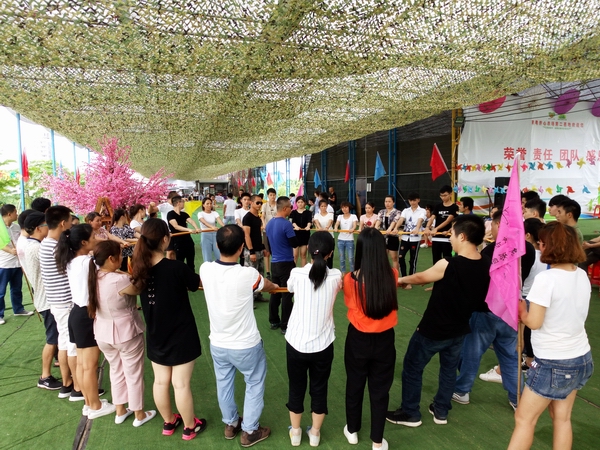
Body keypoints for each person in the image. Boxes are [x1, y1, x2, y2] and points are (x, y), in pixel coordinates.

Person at [387, 215, 490, 427]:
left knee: (412, 367)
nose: (450, 238)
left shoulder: (449, 263)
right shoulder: (485, 264)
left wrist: (400, 280)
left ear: (462, 237)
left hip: (433, 329)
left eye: (452, 234)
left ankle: (410, 412)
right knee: (448, 370)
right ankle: (441, 410)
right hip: (459, 329)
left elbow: (420, 277)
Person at [508, 221, 593, 450]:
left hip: (554, 361)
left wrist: (522, 312)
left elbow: (534, 322)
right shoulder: (581, 274)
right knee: (562, 418)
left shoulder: (547, 279)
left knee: (524, 419)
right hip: (581, 357)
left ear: (548, 246)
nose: (539, 246)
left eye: (541, 243)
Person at [200, 225, 278, 447]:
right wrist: (274, 286)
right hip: (246, 345)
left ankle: (231, 423)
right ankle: (250, 430)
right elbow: (267, 285)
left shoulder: (206, 269)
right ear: (242, 247)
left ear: (217, 245)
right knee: (254, 382)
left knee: (224, 383)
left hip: (218, 343)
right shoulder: (248, 274)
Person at [130, 219, 207, 440]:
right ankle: (190, 426)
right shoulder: (176, 268)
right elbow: (197, 283)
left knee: (161, 381)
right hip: (181, 334)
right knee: (180, 384)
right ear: (165, 239)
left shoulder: (139, 269)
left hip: (156, 334)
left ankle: (169, 421)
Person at [452, 210, 535, 410]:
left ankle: (462, 390)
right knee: (510, 356)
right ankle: (517, 398)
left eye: (493, 226)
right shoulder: (528, 248)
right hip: (513, 309)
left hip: (488, 310)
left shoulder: (493, 250)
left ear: (499, 225)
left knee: (472, 353)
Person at [88, 240, 156, 427]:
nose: (122, 257)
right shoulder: (119, 280)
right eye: (120, 254)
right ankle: (139, 414)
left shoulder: (94, 276)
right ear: (111, 258)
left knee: (116, 370)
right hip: (125, 332)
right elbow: (139, 287)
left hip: (103, 333)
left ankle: (120, 410)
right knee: (133, 373)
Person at [343, 227, 398, 450]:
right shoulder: (392, 275)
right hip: (385, 341)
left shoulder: (350, 280)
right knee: (380, 391)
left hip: (358, 341)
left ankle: (352, 430)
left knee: (354, 385)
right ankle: (377, 441)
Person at [286, 232, 342, 447]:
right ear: (330, 253)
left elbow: (290, 288)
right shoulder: (336, 276)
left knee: (296, 387)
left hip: (296, 343)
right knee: (319, 388)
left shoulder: (297, 273)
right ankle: (315, 434)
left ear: (308, 250)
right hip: (323, 345)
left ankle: (296, 433)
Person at [56, 224, 116, 419]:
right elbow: (109, 267)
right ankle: (95, 406)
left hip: (77, 314)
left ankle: (90, 403)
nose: (96, 238)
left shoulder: (72, 261)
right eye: (93, 237)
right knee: (89, 366)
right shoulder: (88, 262)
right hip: (86, 315)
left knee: (83, 364)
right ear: (83, 242)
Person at [39, 206, 80, 399]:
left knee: (64, 343)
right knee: (72, 346)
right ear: (63, 223)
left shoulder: (46, 244)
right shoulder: (55, 247)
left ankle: (67, 384)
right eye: (71, 222)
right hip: (65, 303)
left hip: (57, 302)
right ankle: (78, 388)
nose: (72, 225)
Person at [21, 211, 62, 390]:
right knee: (52, 338)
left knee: (56, 337)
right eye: (47, 225)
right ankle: (45, 376)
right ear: (38, 228)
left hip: (46, 297)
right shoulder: (37, 248)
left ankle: (59, 365)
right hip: (47, 299)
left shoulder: (33, 245)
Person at [265, 196, 298, 334]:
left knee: (275, 292)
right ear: (285, 208)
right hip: (286, 262)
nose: (292, 209)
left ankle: (274, 320)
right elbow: (294, 243)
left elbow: (268, 244)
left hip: (275, 262)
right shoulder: (286, 224)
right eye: (290, 206)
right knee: (286, 294)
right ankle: (285, 325)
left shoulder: (269, 224)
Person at [0, 204, 33, 325]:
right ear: (9, 214)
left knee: (16, 288)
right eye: (15, 212)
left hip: (17, 262)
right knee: (1, 291)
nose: (17, 214)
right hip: (4, 263)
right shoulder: (1, 228)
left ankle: (18, 309)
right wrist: (10, 251)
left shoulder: (16, 227)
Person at [396, 193, 426, 288]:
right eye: (410, 200)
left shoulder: (422, 211)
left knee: (412, 260)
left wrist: (417, 228)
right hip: (405, 238)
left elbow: (420, 220)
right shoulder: (406, 210)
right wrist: (396, 228)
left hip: (415, 239)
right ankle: (404, 279)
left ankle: (410, 281)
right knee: (400, 257)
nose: (412, 202)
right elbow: (401, 220)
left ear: (418, 200)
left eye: (414, 200)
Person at [243, 195, 268, 302]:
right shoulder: (247, 218)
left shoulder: (258, 217)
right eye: (257, 203)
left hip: (259, 250)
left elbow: (258, 234)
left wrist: (263, 247)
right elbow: (246, 235)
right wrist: (251, 251)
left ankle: (258, 295)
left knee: (259, 274)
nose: (259, 205)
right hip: (251, 251)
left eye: (261, 203)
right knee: (250, 276)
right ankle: (249, 299)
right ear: (251, 203)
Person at [425, 185, 459, 264]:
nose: (443, 197)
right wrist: (427, 227)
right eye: (441, 196)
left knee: (447, 260)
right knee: (436, 260)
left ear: (450, 194)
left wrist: (436, 229)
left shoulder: (454, 207)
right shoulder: (438, 206)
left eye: (445, 195)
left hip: (447, 237)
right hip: (436, 237)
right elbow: (432, 218)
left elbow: (448, 221)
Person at [167, 196, 200, 271]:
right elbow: (176, 226)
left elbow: (191, 221)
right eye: (183, 202)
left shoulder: (184, 214)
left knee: (191, 263)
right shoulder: (170, 214)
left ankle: (191, 276)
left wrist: (196, 228)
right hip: (178, 242)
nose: (184, 203)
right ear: (178, 203)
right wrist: (189, 230)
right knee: (180, 262)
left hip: (188, 241)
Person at [374, 196, 401, 273]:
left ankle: (396, 276)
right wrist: (376, 228)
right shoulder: (381, 211)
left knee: (394, 258)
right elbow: (378, 220)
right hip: (382, 237)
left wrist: (390, 229)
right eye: (386, 201)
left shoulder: (397, 212)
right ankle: (383, 274)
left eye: (389, 201)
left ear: (393, 203)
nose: (387, 203)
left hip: (393, 237)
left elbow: (395, 221)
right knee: (383, 257)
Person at [334, 201, 358, 273]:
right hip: (340, 240)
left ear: (349, 208)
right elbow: (337, 224)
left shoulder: (353, 216)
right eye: (343, 207)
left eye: (346, 207)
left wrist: (353, 229)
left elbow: (355, 225)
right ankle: (343, 273)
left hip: (349, 240)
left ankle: (352, 273)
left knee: (351, 258)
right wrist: (336, 227)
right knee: (342, 258)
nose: (344, 209)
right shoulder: (340, 216)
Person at [197, 197, 224, 263]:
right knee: (207, 257)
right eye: (207, 204)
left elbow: (220, 221)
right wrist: (212, 227)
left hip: (215, 235)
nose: (209, 205)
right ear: (203, 205)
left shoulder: (215, 213)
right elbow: (204, 222)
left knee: (219, 255)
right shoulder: (200, 213)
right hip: (205, 235)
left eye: (210, 203)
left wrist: (225, 227)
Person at [289, 197, 312, 267]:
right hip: (295, 235)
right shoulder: (293, 212)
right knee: (295, 255)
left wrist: (308, 226)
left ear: (304, 203)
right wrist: (295, 226)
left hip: (305, 235)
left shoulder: (308, 212)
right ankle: (292, 270)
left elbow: (309, 221)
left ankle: (303, 270)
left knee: (303, 254)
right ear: (296, 203)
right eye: (298, 202)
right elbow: (292, 221)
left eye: (302, 202)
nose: (300, 204)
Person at [313, 200, 335, 269]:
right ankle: (320, 269)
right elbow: (316, 222)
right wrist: (319, 228)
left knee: (330, 255)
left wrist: (326, 228)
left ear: (327, 207)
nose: (323, 208)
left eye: (325, 206)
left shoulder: (330, 214)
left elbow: (330, 222)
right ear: (319, 207)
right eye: (322, 206)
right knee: (320, 253)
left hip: (330, 237)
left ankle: (330, 269)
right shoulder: (316, 215)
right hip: (320, 238)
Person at [261, 188, 278, 278]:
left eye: (274, 195)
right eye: (271, 195)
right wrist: (264, 224)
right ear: (268, 196)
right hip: (266, 231)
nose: (272, 197)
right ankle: (268, 272)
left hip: (277, 231)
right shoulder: (264, 205)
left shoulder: (278, 205)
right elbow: (262, 216)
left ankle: (275, 270)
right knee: (266, 252)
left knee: (275, 251)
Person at [157, 191, 177, 259]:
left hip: (176, 230)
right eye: (174, 198)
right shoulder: (164, 205)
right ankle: (168, 263)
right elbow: (152, 210)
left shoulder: (176, 205)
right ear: (169, 198)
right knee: (169, 251)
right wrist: (151, 205)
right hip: (168, 231)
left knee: (174, 251)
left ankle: (174, 264)